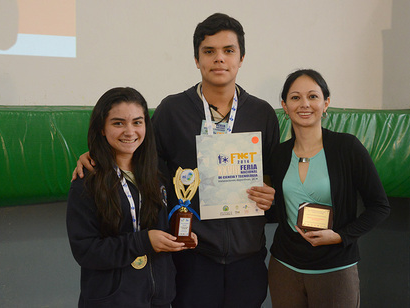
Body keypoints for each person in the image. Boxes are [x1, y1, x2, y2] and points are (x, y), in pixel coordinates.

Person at [73, 13, 279, 307]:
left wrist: (270, 196)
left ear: (241, 57)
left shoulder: (262, 114)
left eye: (228, 51)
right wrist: (94, 155)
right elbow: (140, 159)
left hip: (248, 258)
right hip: (191, 256)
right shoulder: (172, 110)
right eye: (209, 51)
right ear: (197, 59)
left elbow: (272, 175)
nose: (219, 59)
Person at [268, 69, 390, 307]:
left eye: (313, 96)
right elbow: (280, 210)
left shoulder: (347, 147)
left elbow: (380, 207)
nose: (304, 104)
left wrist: (340, 236)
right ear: (285, 105)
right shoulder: (279, 155)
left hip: (335, 268)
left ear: (326, 103)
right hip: (284, 267)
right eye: (295, 97)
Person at [66, 87, 197, 308]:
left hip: (158, 299)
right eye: (118, 123)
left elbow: (160, 227)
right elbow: (86, 251)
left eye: (137, 122)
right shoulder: (87, 181)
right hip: (112, 300)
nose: (130, 131)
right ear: (101, 128)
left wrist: (178, 237)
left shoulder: (158, 174)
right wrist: (144, 242)